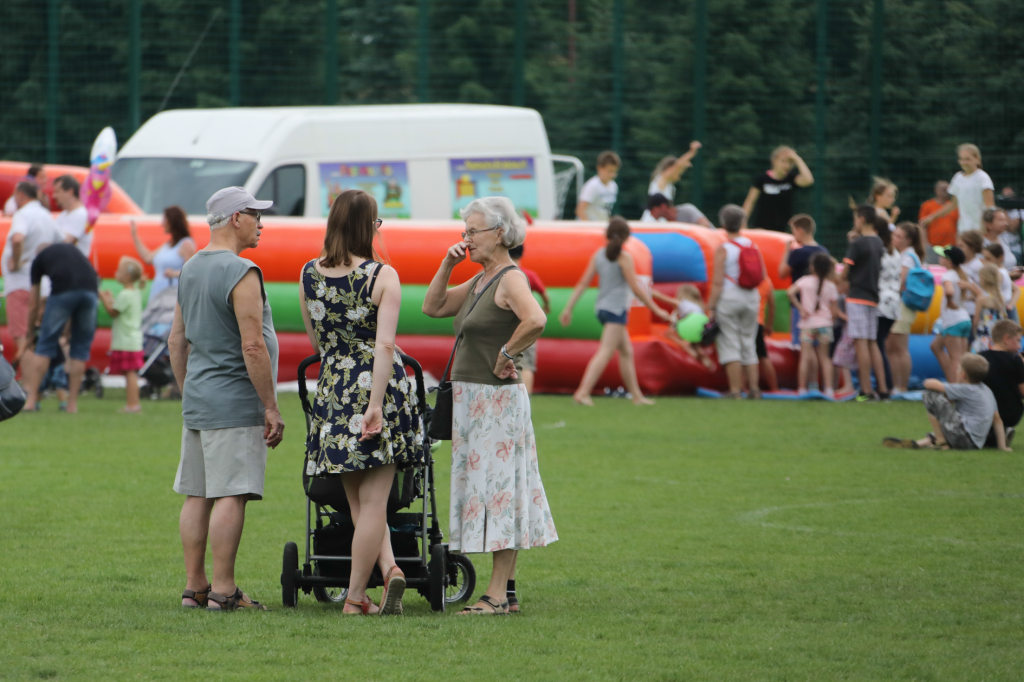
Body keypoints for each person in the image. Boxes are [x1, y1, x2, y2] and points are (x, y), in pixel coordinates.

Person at [422, 196, 558, 616]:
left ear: (499, 233)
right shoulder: (483, 278)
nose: (466, 239)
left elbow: (535, 319)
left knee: (500, 493)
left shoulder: (509, 277)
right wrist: (447, 263)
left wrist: (506, 353)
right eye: (464, 232)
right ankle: (508, 592)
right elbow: (433, 307)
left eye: (472, 232)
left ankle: (496, 596)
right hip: (474, 400)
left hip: (495, 401)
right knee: (499, 491)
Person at [299, 189, 421, 616]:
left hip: (333, 390)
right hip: (378, 391)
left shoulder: (307, 274)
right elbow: (385, 345)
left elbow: (317, 341)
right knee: (373, 502)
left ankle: (388, 570)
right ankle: (355, 597)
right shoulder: (382, 275)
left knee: (356, 500)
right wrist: (373, 405)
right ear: (368, 226)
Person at [168, 187, 283, 612]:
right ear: (236, 218)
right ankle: (225, 589)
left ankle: (194, 587)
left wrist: (189, 391)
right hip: (235, 402)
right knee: (231, 493)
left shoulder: (189, 268)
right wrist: (271, 405)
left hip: (199, 400)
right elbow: (253, 347)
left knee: (196, 494)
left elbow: (176, 341)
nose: (261, 223)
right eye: (255, 215)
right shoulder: (242, 270)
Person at [559, 218, 672, 405]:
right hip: (615, 310)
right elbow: (635, 288)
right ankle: (582, 392)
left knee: (626, 351)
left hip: (602, 309)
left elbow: (582, 283)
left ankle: (636, 396)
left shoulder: (599, 254)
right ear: (626, 237)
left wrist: (568, 308)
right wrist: (657, 310)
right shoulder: (624, 257)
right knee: (605, 351)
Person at [18, 242, 99, 413]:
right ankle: (72, 405)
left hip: (63, 291)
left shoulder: (38, 260)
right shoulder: (71, 251)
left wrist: (30, 333)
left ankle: (31, 400)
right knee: (80, 348)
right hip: (92, 291)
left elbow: (33, 303)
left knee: (45, 345)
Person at [707, 205, 769, 398]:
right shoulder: (752, 245)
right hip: (751, 297)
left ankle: (735, 390)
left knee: (730, 343)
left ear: (723, 224)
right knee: (748, 343)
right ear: (742, 223)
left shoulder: (723, 249)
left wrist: (710, 306)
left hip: (729, 297)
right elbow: (763, 276)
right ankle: (754, 389)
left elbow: (717, 282)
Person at [885, 354, 1006, 451]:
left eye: (959, 369)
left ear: (963, 374)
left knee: (930, 395)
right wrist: (1003, 447)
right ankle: (918, 444)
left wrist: (933, 382)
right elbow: (997, 419)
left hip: (963, 437)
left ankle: (941, 441)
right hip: (975, 444)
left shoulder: (966, 389)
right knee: (951, 423)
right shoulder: (986, 389)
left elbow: (929, 384)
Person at [2, 182, 62, 368]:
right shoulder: (46, 216)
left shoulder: (23, 214)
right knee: (36, 338)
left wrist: (17, 262)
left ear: (20, 195)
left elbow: (17, 238)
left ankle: (27, 389)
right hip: (41, 286)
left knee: (22, 337)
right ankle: (37, 387)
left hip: (20, 283)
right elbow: (60, 243)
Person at [841, 205, 888, 401]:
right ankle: (883, 390)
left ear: (861, 219)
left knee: (860, 343)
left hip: (857, 296)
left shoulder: (858, 244)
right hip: (872, 297)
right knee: (872, 343)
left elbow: (844, 272)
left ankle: (866, 390)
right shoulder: (879, 242)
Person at [98, 257, 146, 413]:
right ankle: (132, 403)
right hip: (131, 340)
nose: (115, 274)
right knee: (129, 373)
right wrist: (109, 298)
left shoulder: (126, 294)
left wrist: (103, 298)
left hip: (126, 341)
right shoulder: (134, 293)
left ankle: (133, 405)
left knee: (130, 373)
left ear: (126, 277)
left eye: (119, 271)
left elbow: (113, 312)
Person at [789, 253, 839, 397]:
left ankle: (802, 388)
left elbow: (790, 292)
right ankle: (829, 389)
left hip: (807, 324)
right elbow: (834, 311)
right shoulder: (831, 286)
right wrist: (831, 322)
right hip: (825, 324)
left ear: (812, 267)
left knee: (805, 357)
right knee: (825, 358)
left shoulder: (805, 281)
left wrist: (800, 308)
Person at [920, 143, 994, 235]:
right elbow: (952, 204)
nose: (964, 162)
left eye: (967, 159)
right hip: (963, 230)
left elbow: (990, 208)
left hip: (981, 231)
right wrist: (932, 217)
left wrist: (985, 229)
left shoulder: (983, 178)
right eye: (961, 159)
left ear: (977, 159)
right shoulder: (958, 178)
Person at [779, 214, 828, 353]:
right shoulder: (823, 251)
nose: (793, 235)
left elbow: (782, 274)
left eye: (793, 231)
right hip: (820, 307)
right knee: (818, 348)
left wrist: (786, 250)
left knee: (800, 346)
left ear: (800, 230)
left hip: (800, 306)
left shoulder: (798, 252)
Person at [888, 222, 926, 394]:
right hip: (900, 305)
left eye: (899, 236)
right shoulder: (907, 255)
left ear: (908, 240)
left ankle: (901, 386)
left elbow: (900, 280)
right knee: (892, 346)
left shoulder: (908, 257)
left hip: (902, 305)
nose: (894, 239)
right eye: (894, 235)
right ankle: (896, 384)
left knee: (899, 347)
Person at [130, 206, 196, 304]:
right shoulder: (167, 244)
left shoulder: (186, 244)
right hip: (157, 294)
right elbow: (147, 258)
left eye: (165, 219)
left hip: (172, 297)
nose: (162, 224)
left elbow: (192, 272)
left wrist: (174, 273)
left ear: (172, 221)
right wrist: (135, 236)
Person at [509, 244, 551, 394]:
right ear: (522, 254)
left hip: (506, 324)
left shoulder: (502, 273)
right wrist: (546, 306)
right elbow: (544, 294)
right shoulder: (529, 275)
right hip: (525, 323)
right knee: (526, 365)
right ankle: (525, 400)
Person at [741, 146, 814, 232]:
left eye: (790, 163)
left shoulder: (791, 180)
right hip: (761, 228)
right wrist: (742, 223)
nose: (786, 165)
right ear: (774, 161)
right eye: (783, 161)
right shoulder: (762, 179)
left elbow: (808, 180)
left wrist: (797, 158)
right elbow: (750, 201)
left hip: (783, 231)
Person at [930, 246, 977, 382]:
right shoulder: (963, 275)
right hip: (964, 319)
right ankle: (955, 383)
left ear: (949, 261)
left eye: (943, 257)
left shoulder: (948, 275)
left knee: (956, 359)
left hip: (953, 320)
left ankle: (957, 389)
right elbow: (975, 292)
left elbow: (949, 291)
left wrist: (950, 300)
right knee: (937, 347)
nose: (940, 258)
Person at [979, 319, 1024, 445]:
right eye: (1018, 341)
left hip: (984, 413)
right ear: (1007, 339)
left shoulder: (980, 358)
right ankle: (1000, 433)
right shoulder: (1015, 360)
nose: (1020, 346)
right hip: (1011, 414)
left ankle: (992, 435)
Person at [653, 284, 715, 370]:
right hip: (702, 324)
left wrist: (649, 291)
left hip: (689, 322)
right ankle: (701, 353)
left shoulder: (682, 303)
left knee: (669, 333)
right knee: (693, 338)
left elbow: (661, 297)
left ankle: (683, 344)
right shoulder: (699, 306)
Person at [875, 214, 901, 393]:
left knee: (876, 345)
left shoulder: (879, 252)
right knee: (880, 344)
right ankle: (885, 385)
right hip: (893, 303)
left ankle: (885, 386)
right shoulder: (894, 252)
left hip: (881, 302)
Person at [751, 275, 779, 392]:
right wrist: (769, 325)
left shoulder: (748, 278)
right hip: (759, 322)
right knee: (762, 356)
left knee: (744, 356)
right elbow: (772, 305)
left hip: (747, 322)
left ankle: (743, 387)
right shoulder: (767, 280)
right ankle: (774, 388)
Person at [919, 180, 958, 263]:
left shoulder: (953, 206)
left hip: (951, 246)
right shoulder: (927, 205)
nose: (945, 191)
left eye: (947, 189)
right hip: (933, 246)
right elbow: (922, 226)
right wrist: (925, 244)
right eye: (942, 189)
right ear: (936, 190)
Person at [52, 175, 91, 260]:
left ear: (70, 192)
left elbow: (66, 242)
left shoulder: (81, 214)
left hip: (74, 266)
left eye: (57, 191)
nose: (54, 196)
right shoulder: (63, 215)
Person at [970, 264, 1006, 353]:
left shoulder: (981, 299)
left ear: (983, 279)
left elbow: (976, 321)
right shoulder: (1000, 298)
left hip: (984, 337)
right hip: (998, 337)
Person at [576, 151, 621, 221]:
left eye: (615, 171)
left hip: (601, 227)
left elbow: (606, 211)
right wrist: (590, 227)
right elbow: (580, 211)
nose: (613, 175)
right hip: (589, 229)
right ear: (599, 168)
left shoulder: (613, 186)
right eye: (610, 171)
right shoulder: (592, 186)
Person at [980, 243, 1020, 322]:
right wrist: (1011, 305)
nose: (985, 262)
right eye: (984, 258)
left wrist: (1010, 306)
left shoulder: (999, 274)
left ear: (1000, 258)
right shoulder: (1004, 271)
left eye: (989, 259)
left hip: (1000, 309)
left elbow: (994, 291)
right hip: (1006, 307)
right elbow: (1017, 290)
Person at [1000, 186, 1023, 263]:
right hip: (1001, 247)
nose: (1007, 199)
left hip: (1014, 249)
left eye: (1009, 196)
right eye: (1005, 197)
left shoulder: (1020, 211)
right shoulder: (997, 211)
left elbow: (1012, 228)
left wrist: (1003, 210)